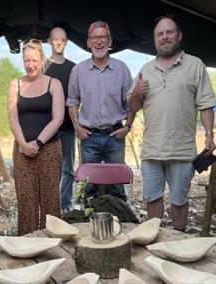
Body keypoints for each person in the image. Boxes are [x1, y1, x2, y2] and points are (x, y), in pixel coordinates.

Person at [128, 15, 216, 231]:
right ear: (155, 39)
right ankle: (153, 241)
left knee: (179, 201)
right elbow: (132, 106)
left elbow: (205, 104)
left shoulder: (195, 65)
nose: (165, 37)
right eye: (160, 34)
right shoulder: (145, 69)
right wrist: (137, 93)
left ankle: (178, 240)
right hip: (152, 150)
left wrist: (209, 133)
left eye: (169, 32)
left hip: (182, 149)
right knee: (152, 198)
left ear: (179, 35)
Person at [67, 21, 134, 202]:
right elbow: (72, 101)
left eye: (103, 37)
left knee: (117, 187)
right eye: (95, 37)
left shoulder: (122, 69)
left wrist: (128, 127)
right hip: (89, 138)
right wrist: (77, 127)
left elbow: (131, 103)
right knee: (89, 187)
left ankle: (120, 225)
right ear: (88, 42)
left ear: (110, 40)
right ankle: (90, 226)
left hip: (115, 136)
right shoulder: (78, 70)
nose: (99, 42)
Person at [8, 39, 64, 235]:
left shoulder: (54, 84)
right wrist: (23, 144)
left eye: (34, 60)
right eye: (26, 60)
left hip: (49, 149)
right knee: (26, 202)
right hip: (22, 151)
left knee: (50, 200)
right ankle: (26, 247)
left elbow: (58, 119)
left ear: (42, 60)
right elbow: (12, 117)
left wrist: (38, 143)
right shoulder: (15, 84)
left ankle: (53, 245)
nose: (30, 65)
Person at [44, 27, 76, 214]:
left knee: (68, 169)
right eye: (56, 39)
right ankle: (50, 206)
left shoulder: (73, 68)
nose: (59, 43)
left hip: (69, 127)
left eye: (62, 40)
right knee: (49, 169)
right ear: (49, 41)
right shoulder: (42, 66)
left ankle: (66, 205)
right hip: (48, 127)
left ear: (66, 42)